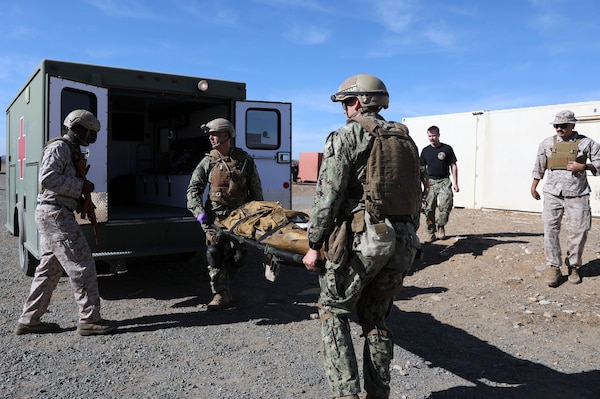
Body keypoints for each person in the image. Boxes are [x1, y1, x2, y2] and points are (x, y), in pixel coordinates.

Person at [302, 74, 422, 399]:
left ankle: (346, 394)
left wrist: (313, 244)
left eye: (345, 103)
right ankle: (379, 393)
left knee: (333, 309)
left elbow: (327, 197)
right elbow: (417, 195)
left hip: (366, 240)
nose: (343, 110)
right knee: (377, 319)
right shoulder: (406, 140)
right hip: (405, 240)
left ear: (357, 102)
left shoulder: (346, 136)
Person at [15, 109, 117, 336]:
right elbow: (48, 178)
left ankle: (29, 320)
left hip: (55, 213)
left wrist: (79, 196)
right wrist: (81, 186)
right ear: (78, 128)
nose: (92, 138)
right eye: (90, 133)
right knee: (83, 264)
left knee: (49, 269)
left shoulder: (70, 150)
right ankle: (90, 320)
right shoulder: (59, 147)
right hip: (56, 215)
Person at [187, 118, 263, 310]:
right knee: (214, 253)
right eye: (210, 135)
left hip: (240, 219)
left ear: (226, 135)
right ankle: (220, 294)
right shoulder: (208, 161)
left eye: (214, 134)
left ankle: (226, 284)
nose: (211, 138)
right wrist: (199, 212)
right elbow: (193, 190)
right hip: (215, 218)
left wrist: (257, 216)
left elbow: (256, 190)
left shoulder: (244, 160)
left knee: (239, 257)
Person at [531, 110, 600, 287]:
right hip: (552, 193)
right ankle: (553, 266)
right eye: (556, 125)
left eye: (563, 125)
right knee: (550, 230)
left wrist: (583, 166)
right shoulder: (546, 143)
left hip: (577, 194)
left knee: (579, 230)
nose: (559, 128)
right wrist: (534, 186)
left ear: (573, 125)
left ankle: (574, 266)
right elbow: (539, 166)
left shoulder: (587, 143)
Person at [419, 125, 459, 243]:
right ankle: (431, 232)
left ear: (438, 135)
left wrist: (456, 183)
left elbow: (454, 165)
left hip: (444, 181)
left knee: (446, 205)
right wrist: (423, 185)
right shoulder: (425, 151)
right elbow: (421, 168)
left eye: (434, 136)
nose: (431, 138)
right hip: (430, 182)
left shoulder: (447, 149)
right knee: (428, 209)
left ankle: (441, 226)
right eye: (429, 136)